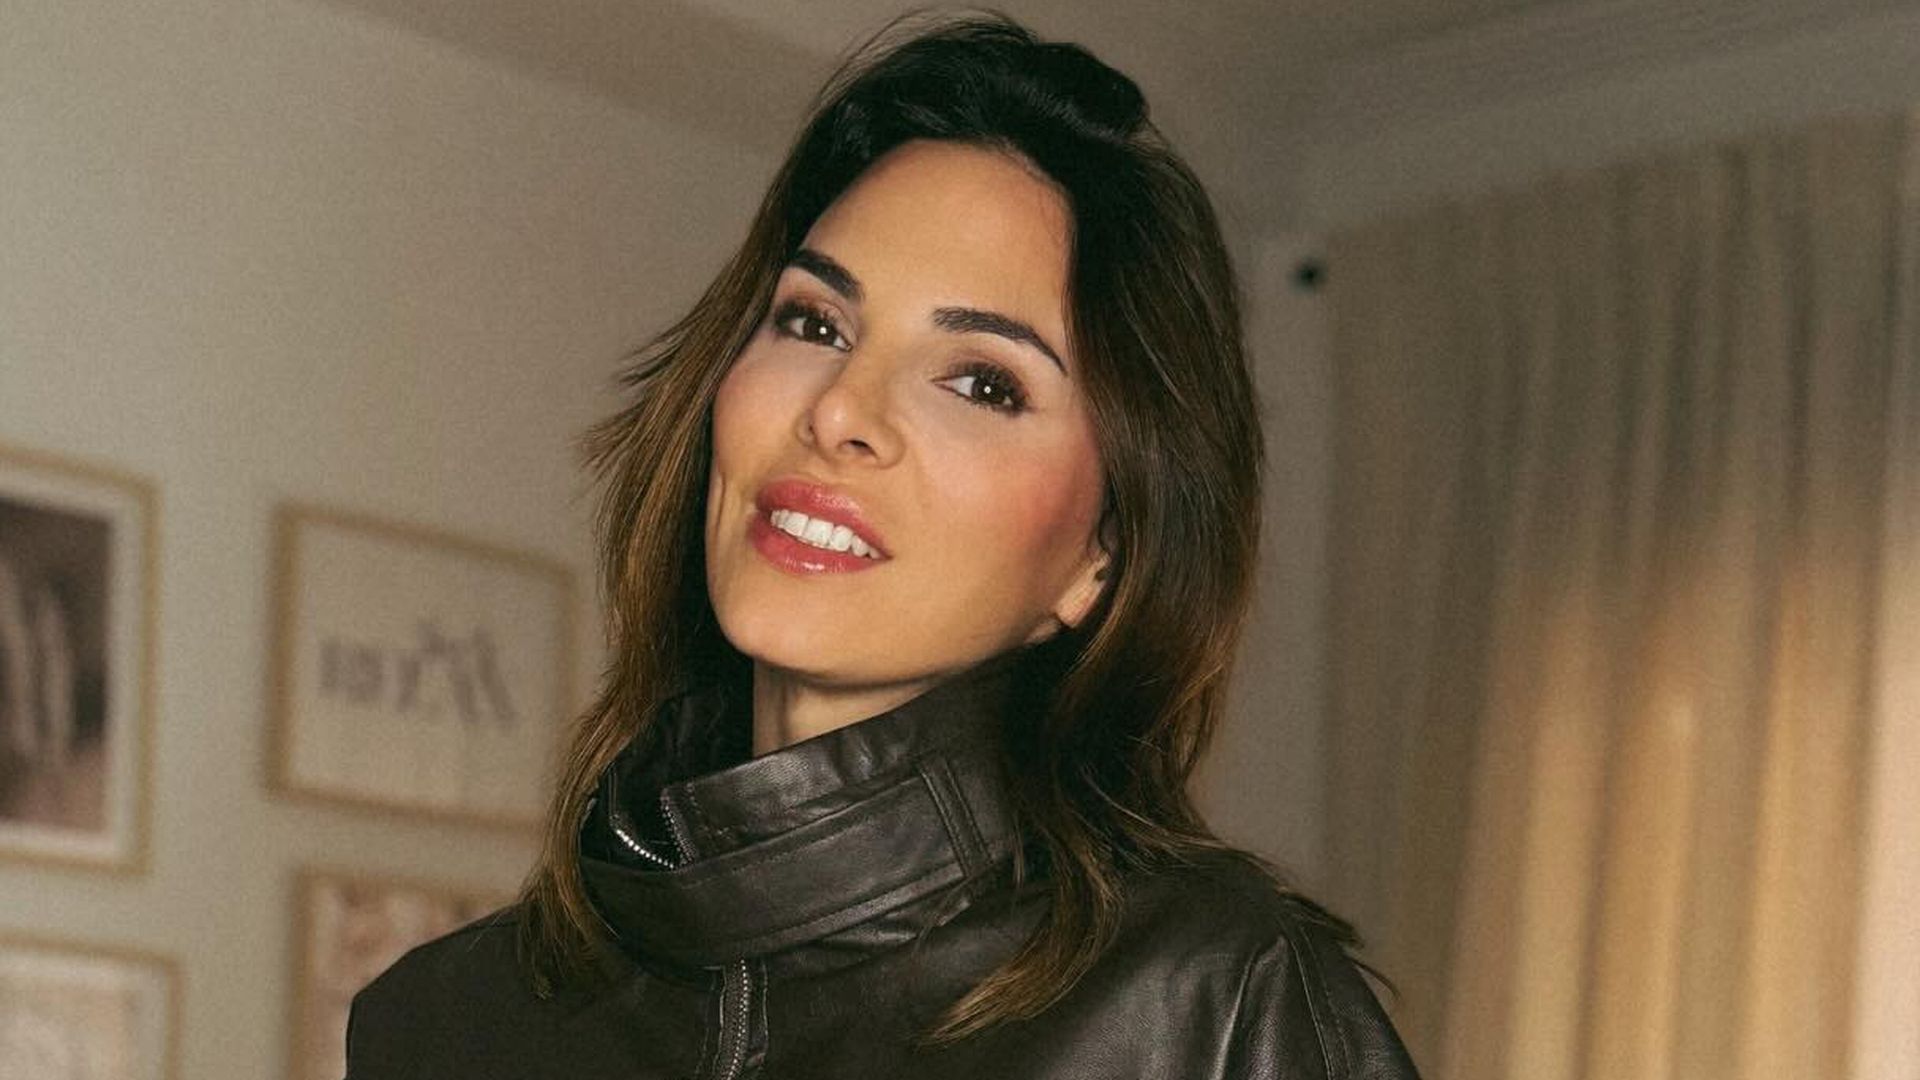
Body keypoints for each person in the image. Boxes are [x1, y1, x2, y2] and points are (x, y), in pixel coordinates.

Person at [345, 13, 1419, 1079]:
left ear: (1102, 556)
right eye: (814, 323)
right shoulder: (441, 1025)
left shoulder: (1216, 1007)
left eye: (983, 383)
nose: (840, 410)